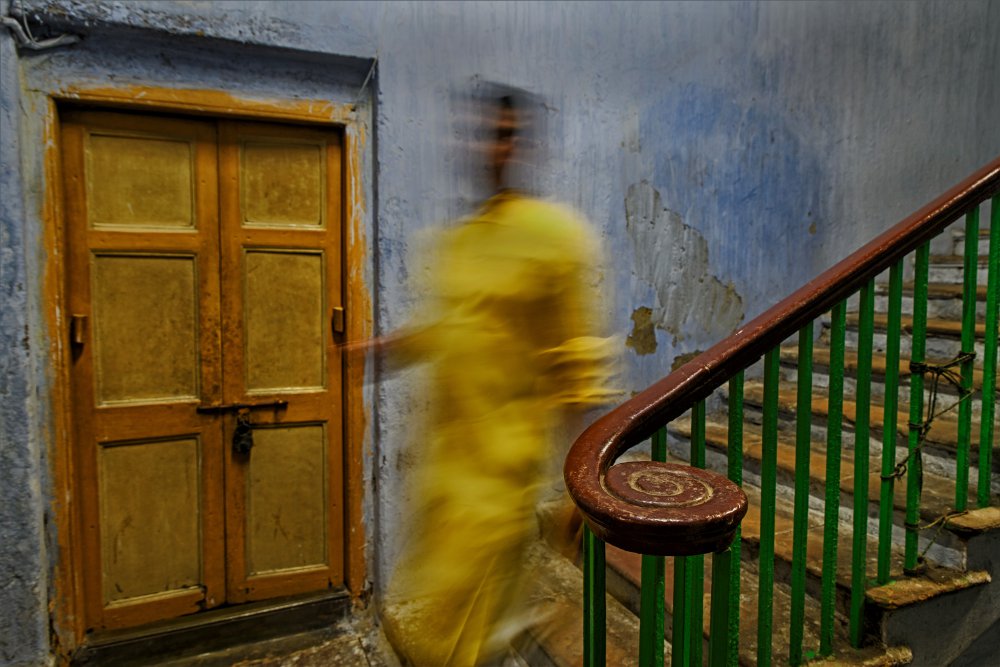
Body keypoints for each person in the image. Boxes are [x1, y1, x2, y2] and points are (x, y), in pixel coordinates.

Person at [371, 90, 616, 666]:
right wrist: (382, 350)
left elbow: (576, 365)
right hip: (444, 468)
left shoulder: (554, 236)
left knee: (467, 631)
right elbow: (449, 329)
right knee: (442, 615)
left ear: (523, 144)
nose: (490, 147)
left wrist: (582, 482)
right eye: (482, 133)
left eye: (504, 134)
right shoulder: (458, 241)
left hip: (502, 473)